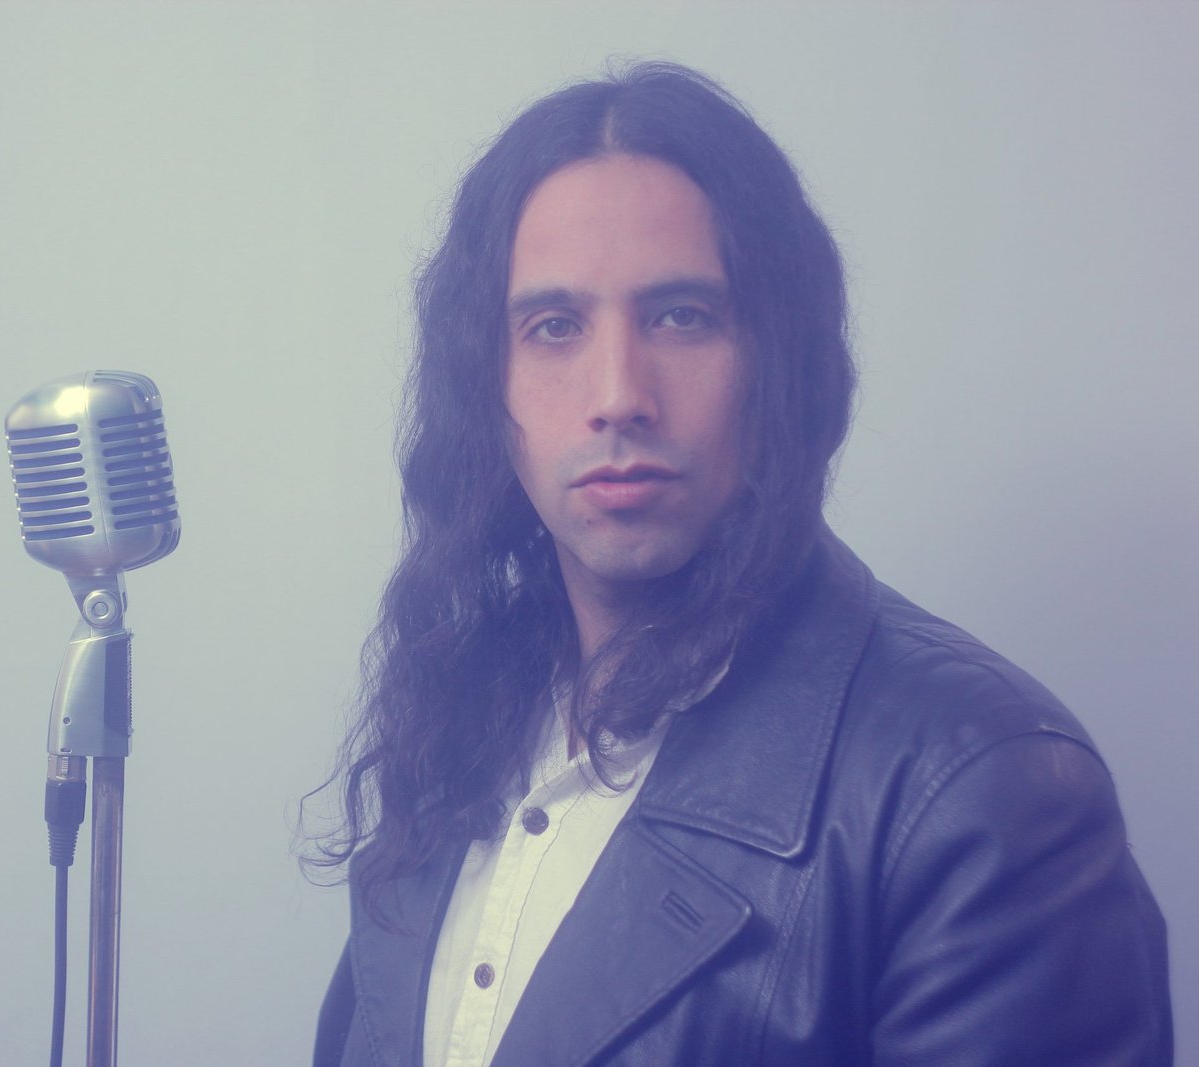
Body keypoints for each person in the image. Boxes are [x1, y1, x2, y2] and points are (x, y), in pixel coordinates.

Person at [309, 62, 1171, 1066]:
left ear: (778, 362)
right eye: (554, 327)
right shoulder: (457, 724)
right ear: (483, 388)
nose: (618, 393)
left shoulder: (985, 792)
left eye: (681, 316)